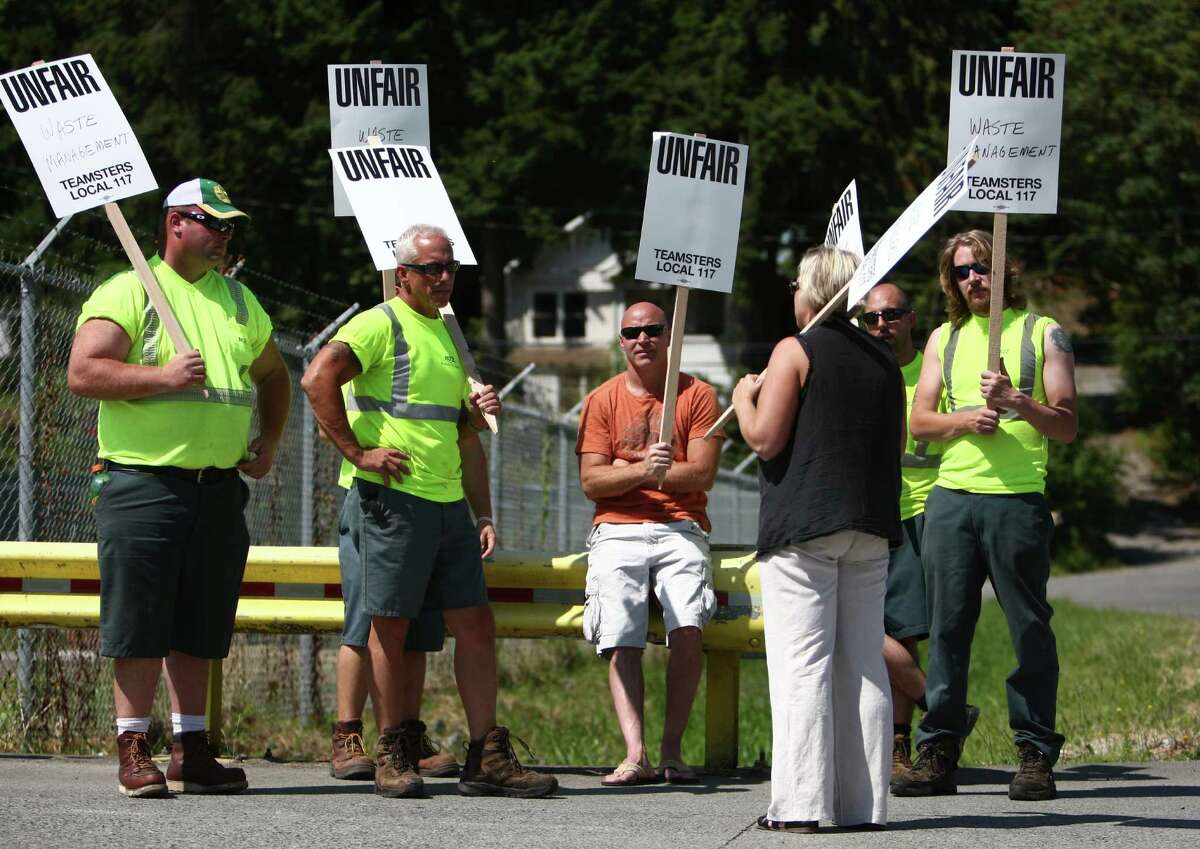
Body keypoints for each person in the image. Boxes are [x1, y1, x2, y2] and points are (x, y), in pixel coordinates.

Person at [301, 223, 556, 799]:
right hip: (393, 501)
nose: (445, 278)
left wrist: (482, 503)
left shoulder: (444, 330)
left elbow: (459, 435)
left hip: (445, 505)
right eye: (433, 269)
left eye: (451, 269)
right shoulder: (377, 323)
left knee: (475, 624)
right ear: (403, 275)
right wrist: (358, 453)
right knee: (386, 625)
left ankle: (485, 754)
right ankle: (392, 749)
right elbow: (316, 378)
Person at [67, 177, 292, 797]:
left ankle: (190, 747)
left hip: (217, 488)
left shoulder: (240, 303)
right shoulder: (129, 289)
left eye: (228, 225)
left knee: (200, 621)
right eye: (212, 222)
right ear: (175, 223)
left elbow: (275, 376)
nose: (224, 234)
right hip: (143, 482)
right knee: (139, 619)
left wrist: (268, 440)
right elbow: (84, 371)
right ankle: (133, 743)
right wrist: (164, 377)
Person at [892, 230, 1077, 802]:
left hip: (1018, 501)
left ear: (1004, 271)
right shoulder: (944, 339)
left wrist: (1018, 401)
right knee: (948, 630)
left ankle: (1035, 750)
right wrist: (969, 417)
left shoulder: (1043, 332)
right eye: (963, 271)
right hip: (951, 501)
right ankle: (939, 748)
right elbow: (920, 422)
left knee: (1028, 627)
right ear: (951, 280)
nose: (974, 278)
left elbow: (1067, 425)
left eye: (982, 268)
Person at [733, 246, 903, 833]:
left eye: (795, 283)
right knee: (862, 665)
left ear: (812, 291)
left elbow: (764, 439)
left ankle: (802, 804)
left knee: (801, 666)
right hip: (870, 527)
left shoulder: (794, 349)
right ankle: (864, 805)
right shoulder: (883, 358)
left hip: (804, 528)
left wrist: (741, 398)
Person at [576, 301, 721, 786]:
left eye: (653, 330)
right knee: (619, 631)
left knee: (688, 625)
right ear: (620, 340)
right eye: (632, 331)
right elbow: (592, 483)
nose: (643, 339)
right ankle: (634, 752)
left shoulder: (697, 394)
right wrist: (644, 470)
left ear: (669, 336)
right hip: (616, 528)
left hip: (682, 526)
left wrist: (623, 471)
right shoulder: (602, 399)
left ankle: (672, 751)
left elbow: (702, 473)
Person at [859, 283, 979, 786]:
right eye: (870, 319)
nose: (881, 325)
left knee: (915, 631)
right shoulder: (859, 370)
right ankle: (934, 711)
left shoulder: (932, 369)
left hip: (928, 508)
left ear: (911, 319)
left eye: (891, 315)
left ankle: (907, 743)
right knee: (878, 627)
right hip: (871, 513)